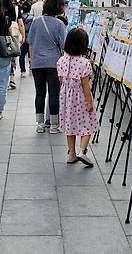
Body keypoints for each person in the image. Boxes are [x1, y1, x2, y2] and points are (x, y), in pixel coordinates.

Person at [57, 28, 97, 166]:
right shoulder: (84, 62)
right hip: (80, 97)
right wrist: (89, 102)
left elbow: (61, 79)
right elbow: (86, 86)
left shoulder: (61, 60)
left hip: (66, 98)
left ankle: (71, 154)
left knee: (70, 124)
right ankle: (82, 151)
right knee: (88, 123)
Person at [27, 0, 67, 134]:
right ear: (58, 7)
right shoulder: (59, 24)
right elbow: (64, 46)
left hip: (37, 63)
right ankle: (54, 125)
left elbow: (30, 43)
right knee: (54, 94)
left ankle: (40, 124)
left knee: (40, 93)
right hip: (53, 64)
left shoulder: (36, 22)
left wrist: (31, 61)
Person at [2, 0, 25, 90]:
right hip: (14, 35)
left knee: (3, 57)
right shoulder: (16, 8)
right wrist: (23, 35)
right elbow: (20, 24)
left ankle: (3, 78)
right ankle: (12, 79)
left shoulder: (0, 9)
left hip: (2, 35)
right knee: (13, 57)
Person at [19, 2, 33, 77]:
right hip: (31, 37)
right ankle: (31, 67)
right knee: (31, 54)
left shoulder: (20, 17)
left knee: (22, 55)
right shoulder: (32, 17)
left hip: (22, 38)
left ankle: (22, 70)